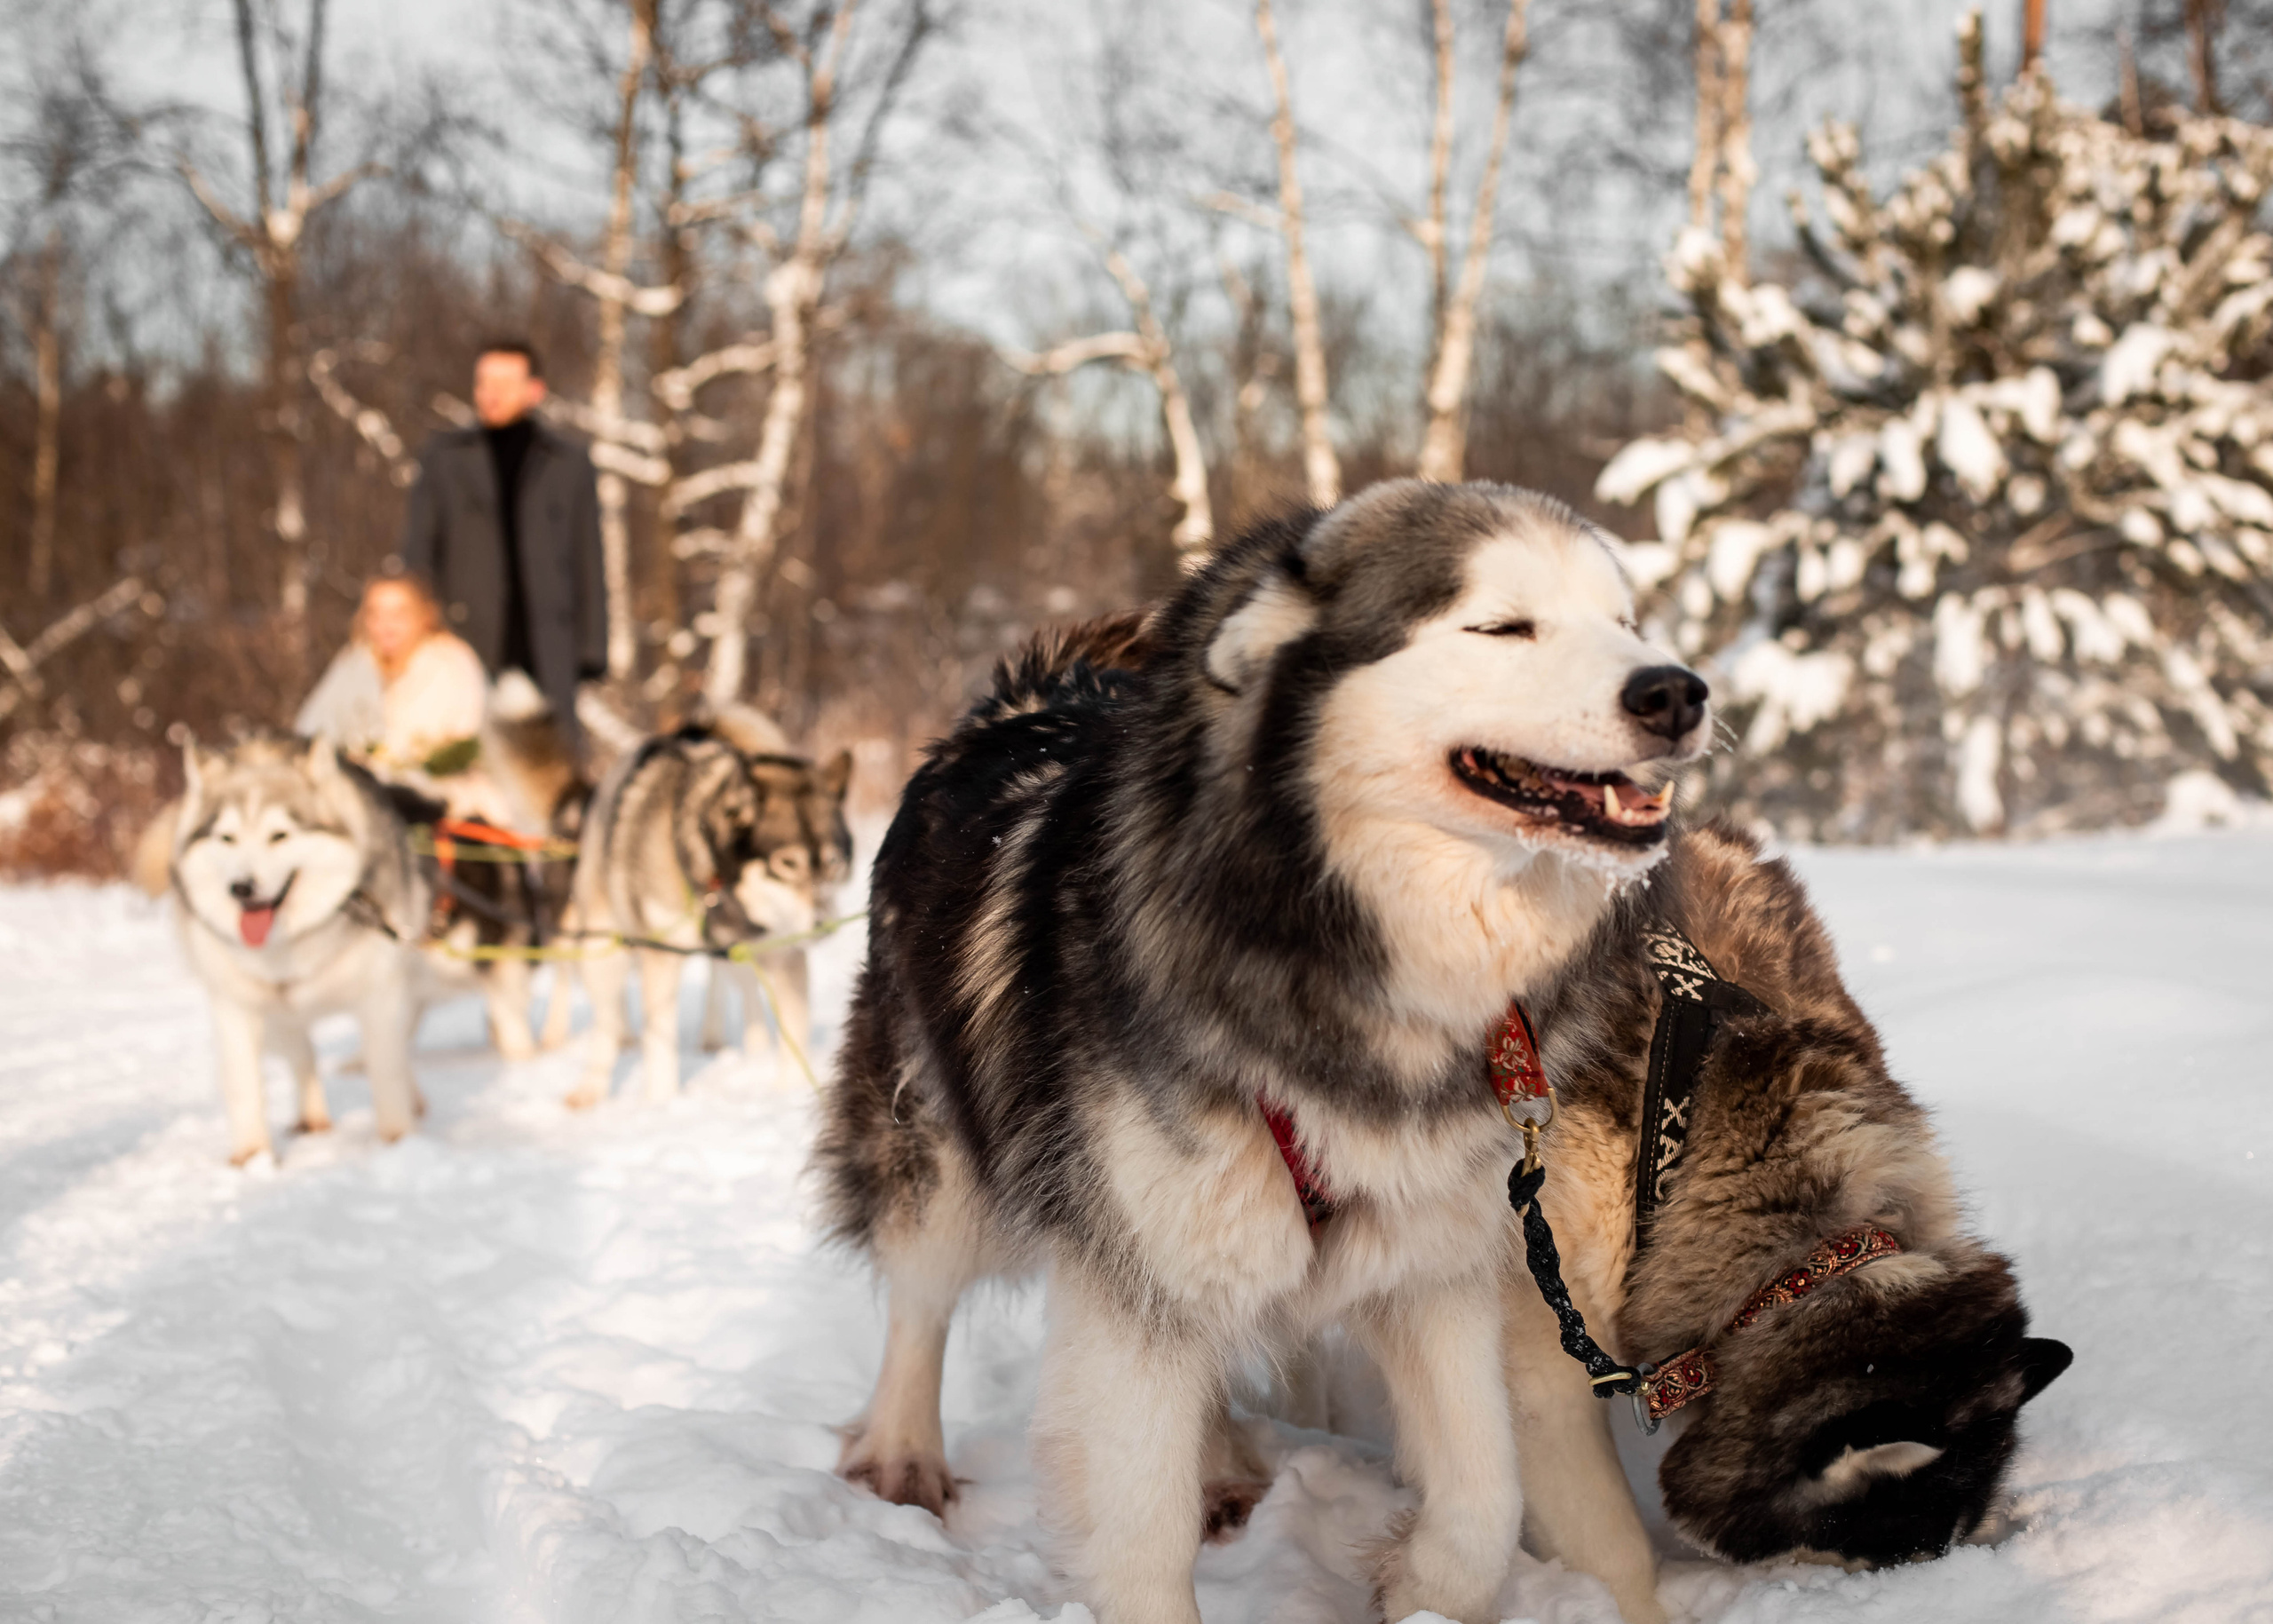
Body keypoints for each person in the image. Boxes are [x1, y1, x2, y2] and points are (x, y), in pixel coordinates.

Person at [400, 340, 606, 763]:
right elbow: (417, 554)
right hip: (465, 640)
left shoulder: (569, 463)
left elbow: (590, 558)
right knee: (466, 762)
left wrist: (591, 650)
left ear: (535, 391)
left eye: (504, 383)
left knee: (555, 769)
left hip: (547, 641)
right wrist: (416, 634)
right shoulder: (444, 459)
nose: (490, 393)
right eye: (483, 382)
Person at [297, 574, 510, 820]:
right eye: (375, 614)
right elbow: (312, 729)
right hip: (359, 795)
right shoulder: (354, 663)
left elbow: (460, 742)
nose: (385, 626)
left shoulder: (451, 663)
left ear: (425, 616)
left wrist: (391, 767)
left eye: (399, 614)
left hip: (443, 802)